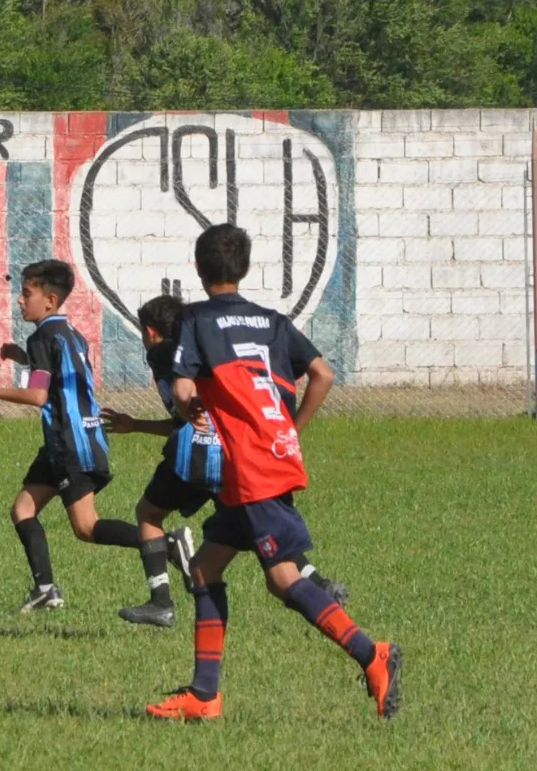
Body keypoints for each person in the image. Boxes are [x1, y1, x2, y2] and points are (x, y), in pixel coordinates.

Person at [146, 224, 401, 721]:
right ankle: (204, 696)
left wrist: (194, 405)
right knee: (204, 569)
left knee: (284, 578)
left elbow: (181, 393)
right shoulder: (272, 321)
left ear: (199, 269)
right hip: (269, 456)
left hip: (249, 466)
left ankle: (374, 656)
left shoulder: (195, 320)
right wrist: (292, 428)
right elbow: (323, 374)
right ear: (243, 268)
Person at [103, 295, 349, 628]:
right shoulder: (225, 342)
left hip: (196, 457)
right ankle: (319, 584)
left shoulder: (164, 358)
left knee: (149, 513)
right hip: (236, 455)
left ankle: (160, 601)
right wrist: (135, 425)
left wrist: (140, 424)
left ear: (150, 332)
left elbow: (188, 421)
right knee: (257, 524)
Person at [0, 259, 163, 613]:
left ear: (50, 301)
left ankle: (163, 542)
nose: (19, 301)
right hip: (77, 439)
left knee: (86, 527)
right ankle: (44, 588)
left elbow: (39, 395)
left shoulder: (41, 336)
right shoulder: (70, 333)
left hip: (68, 444)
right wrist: (24, 358)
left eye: (26, 294)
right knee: (23, 509)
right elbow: (59, 374)